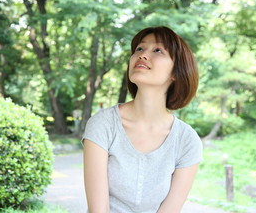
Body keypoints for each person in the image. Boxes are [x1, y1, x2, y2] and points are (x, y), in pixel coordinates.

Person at [82, 26, 203, 213]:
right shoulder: (103, 124)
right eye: (140, 49)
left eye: (158, 50)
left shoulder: (187, 140)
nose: (143, 55)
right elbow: (98, 210)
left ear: (175, 73)